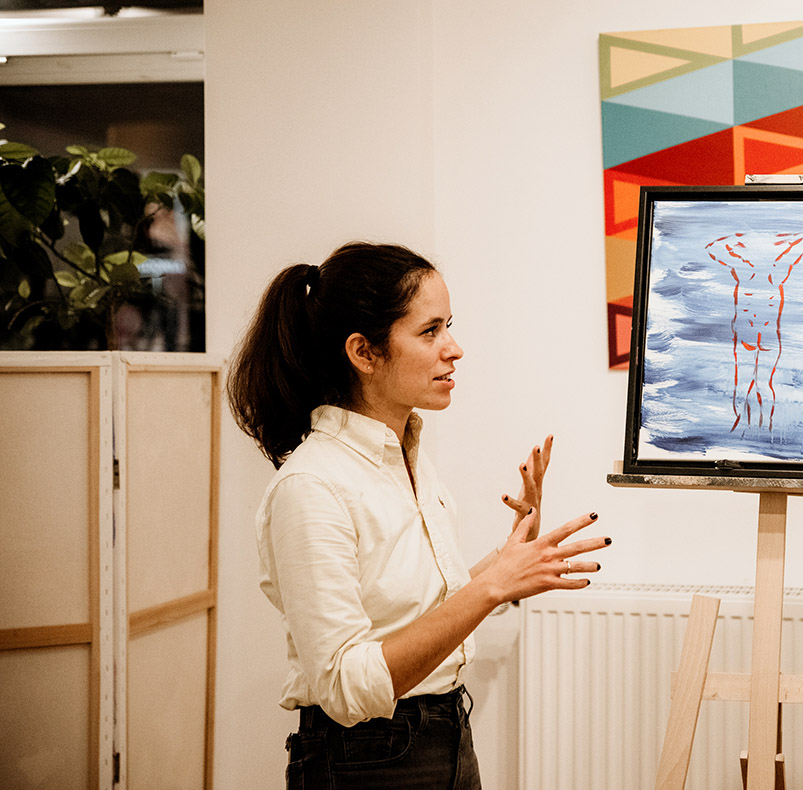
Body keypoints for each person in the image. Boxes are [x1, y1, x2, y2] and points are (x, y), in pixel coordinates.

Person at [226, 241, 609, 789]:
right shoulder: (311, 486)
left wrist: (509, 559)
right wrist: (492, 587)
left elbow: (419, 612)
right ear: (364, 353)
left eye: (448, 326)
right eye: (430, 331)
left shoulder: (406, 455)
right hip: (366, 760)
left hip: (445, 734)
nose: (454, 349)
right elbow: (346, 688)